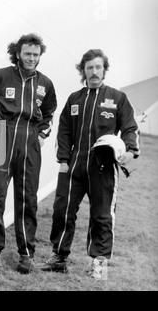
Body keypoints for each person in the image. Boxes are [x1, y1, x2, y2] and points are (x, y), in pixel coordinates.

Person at [40, 49, 140, 278]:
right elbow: (63, 131)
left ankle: (99, 265)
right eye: (89, 68)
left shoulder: (117, 98)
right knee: (62, 212)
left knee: (102, 216)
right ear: (82, 71)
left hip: (103, 167)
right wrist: (63, 160)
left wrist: (130, 151)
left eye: (98, 67)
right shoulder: (75, 99)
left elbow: (130, 128)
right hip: (74, 165)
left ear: (104, 69)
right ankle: (58, 258)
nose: (94, 72)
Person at [0, 33, 57, 274]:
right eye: (27, 54)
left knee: (27, 199)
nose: (32, 58)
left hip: (29, 141)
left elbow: (49, 113)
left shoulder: (45, 83)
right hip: (3, 136)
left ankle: (26, 254)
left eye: (36, 55)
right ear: (18, 53)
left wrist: (42, 135)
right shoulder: (0, 76)